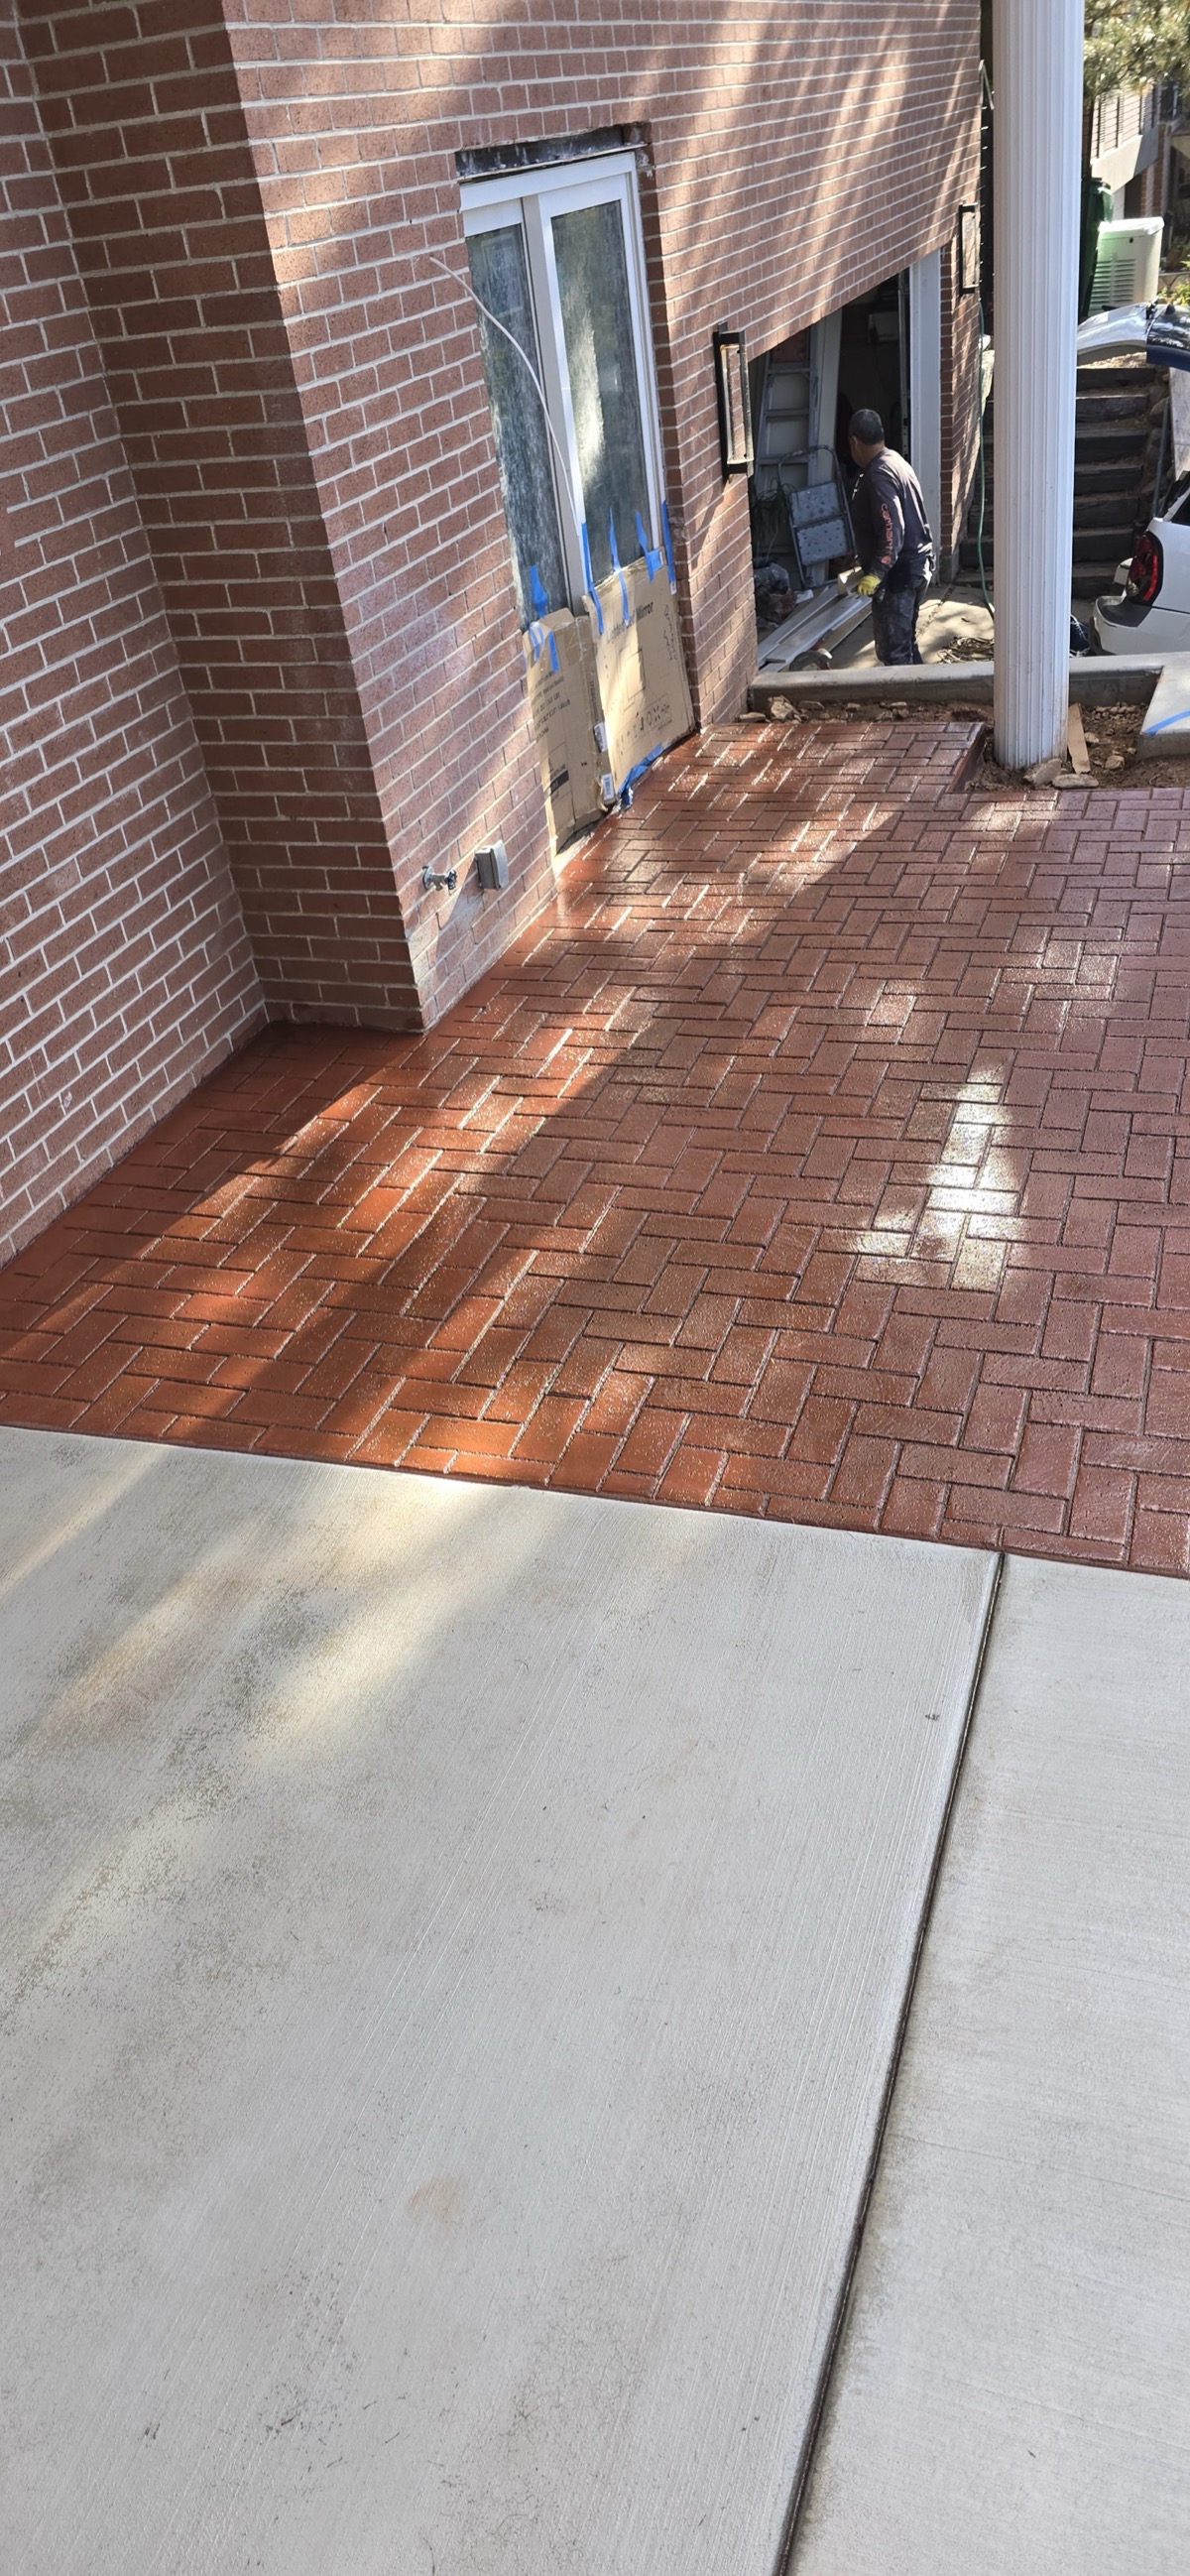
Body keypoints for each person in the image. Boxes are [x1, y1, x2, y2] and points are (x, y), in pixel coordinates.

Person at [847, 408, 935, 665]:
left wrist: (877, 571)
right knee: (905, 642)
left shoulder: (878, 475)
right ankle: (924, 693)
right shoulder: (895, 460)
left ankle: (905, 703)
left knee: (894, 654)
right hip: (917, 566)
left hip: (900, 575)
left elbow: (891, 528)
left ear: (854, 442)